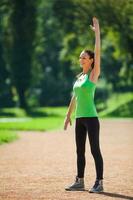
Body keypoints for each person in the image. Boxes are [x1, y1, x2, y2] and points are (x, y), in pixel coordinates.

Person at [64, 17, 104, 193]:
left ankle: (99, 182)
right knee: (79, 151)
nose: (80, 58)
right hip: (79, 118)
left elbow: (97, 50)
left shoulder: (93, 75)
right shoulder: (79, 77)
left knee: (95, 149)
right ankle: (79, 181)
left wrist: (97, 32)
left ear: (91, 60)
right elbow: (75, 97)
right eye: (80, 56)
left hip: (91, 118)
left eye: (84, 57)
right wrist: (68, 116)